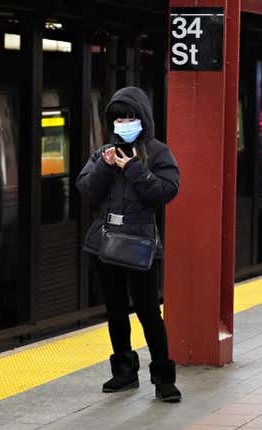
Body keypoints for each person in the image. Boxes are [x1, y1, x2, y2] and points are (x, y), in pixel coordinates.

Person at [76, 87, 182, 402]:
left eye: (130, 116)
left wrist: (132, 168)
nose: (124, 122)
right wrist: (106, 165)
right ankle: (124, 373)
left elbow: (166, 191)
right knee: (116, 311)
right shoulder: (104, 151)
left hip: (140, 246)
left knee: (149, 311)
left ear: (142, 119)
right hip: (104, 244)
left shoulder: (158, 152)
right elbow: (87, 189)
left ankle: (164, 379)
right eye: (118, 117)